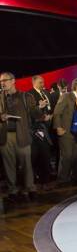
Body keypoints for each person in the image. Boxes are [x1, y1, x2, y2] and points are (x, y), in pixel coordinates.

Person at [0, 72, 42, 202]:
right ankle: (12, 190)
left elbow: (35, 114)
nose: (2, 83)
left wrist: (39, 108)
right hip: (5, 136)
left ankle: (30, 188)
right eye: (1, 81)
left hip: (22, 135)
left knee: (26, 165)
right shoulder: (0, 97)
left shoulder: (25, 96)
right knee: (9, 166)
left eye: (5, 80)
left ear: (13, 81)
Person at [53, 78, 77, 185]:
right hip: (66, 130)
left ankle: (75, 177)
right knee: (66, 156)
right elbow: (57, 112)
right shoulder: (66, 96)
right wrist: (58, 127)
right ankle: (63, 179)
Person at [28, 75, 54, 190]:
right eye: (40, 82)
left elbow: (50, 107)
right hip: (36, 128)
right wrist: (39, 106)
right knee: (40, 154)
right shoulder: (29, 94)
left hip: (48, 126)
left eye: (43, 82)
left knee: (46, 153)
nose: (42, 84)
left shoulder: (46, 93)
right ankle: (40, 180)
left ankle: (46, 180)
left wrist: (50, 115)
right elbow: (29, 112)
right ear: (33, 82)